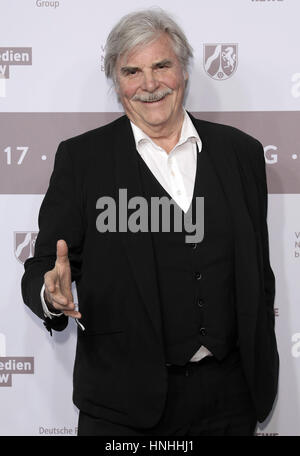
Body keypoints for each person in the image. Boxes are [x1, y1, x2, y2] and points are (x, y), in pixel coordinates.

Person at [21, 8, 279, 436]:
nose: (150, 84)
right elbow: (44, 265)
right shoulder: (83, 161)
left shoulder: (242, 154)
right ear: (116, 82)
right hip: (123, 406)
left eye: (162, 65)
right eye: (132, 71)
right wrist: (51, 294)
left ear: (184, 70)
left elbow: (258, 272)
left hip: (229, 399)